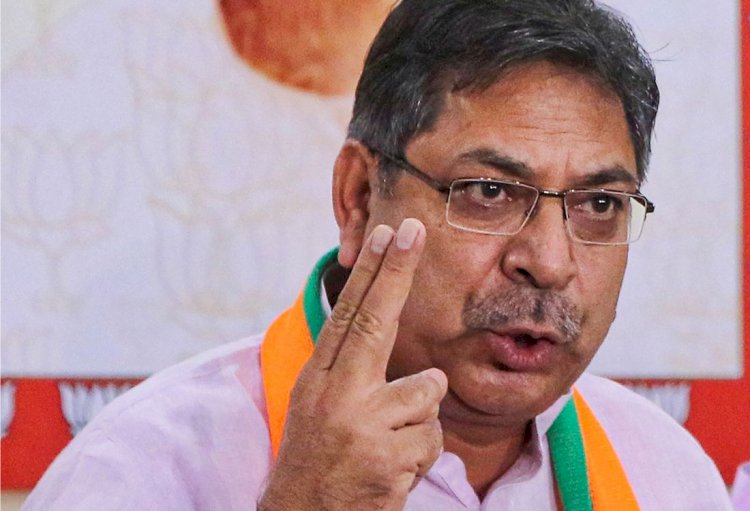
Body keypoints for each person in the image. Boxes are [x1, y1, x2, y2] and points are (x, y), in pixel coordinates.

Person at [21, 0, 733, 509]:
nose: (549, 261)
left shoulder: (666, 474)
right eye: (488, 191)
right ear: (360, 197)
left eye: (599, 204)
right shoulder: (143, 469)